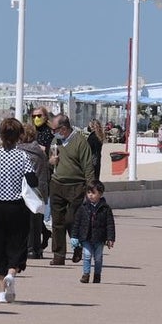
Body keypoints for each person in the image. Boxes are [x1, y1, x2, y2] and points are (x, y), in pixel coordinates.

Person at [0, 118, 39, 304]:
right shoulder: (22, 157)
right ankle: (12, 272)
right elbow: (32, 181)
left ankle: (1, 292)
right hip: (16, 206)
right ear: (19, 135)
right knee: (17, 244)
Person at [47, 114, 96, 266]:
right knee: (57, 221)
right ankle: (58, 254)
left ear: (63, 128)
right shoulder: (55, 141)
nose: (52, 132)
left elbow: (88, 166)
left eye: (54, 129)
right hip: (57, 184)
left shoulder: (80, 142)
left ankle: (78, 247)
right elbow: (50, 163)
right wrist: (50, 161)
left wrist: (91, 189)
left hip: (76, 185)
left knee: (71, 220)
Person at [70, 180, 116, 284]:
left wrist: (110, 238)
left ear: (100, 194)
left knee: (98, 258)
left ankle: (97, 275)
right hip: (86, 237)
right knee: (86, 255)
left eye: (93, 193)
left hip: (99, 238)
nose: (90, 195)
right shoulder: (83, 207)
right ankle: (86, 275)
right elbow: (77, 223)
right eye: (88, 192)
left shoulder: (105, 208)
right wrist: (74, 236)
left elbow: (110, 224)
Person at [19, 120, 52, 258]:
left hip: (28, 190)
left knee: (25, 221)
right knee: (37, 220)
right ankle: (36, 249)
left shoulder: (22, 151)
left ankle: (30, 248)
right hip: (41, 189)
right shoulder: (40, 151)